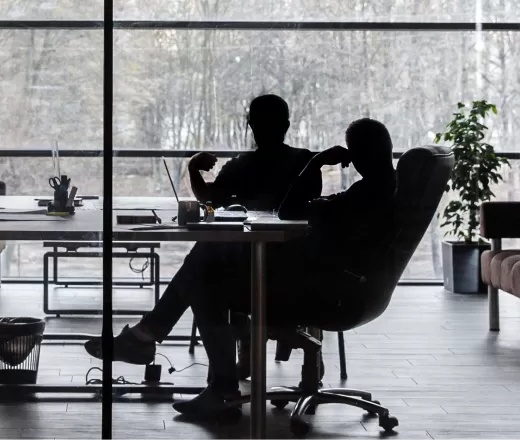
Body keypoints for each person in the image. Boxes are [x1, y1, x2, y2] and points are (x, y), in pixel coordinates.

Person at [169, 117, 398, 417]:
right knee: (209, 265)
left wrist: (317, 163)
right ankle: (156, 335)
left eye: (354, 151)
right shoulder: (387, 189)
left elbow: (285, 209)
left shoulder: (363, 195)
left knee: (206, 284)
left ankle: (220, 389)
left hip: (327, 291)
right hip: (358, 290)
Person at [84, 94, 322, 372]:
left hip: (251, 277)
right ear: (287, 125)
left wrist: (194, 168)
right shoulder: (308, 163)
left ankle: (159, 341)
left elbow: (209, 201)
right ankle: (149, 335)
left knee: (201, 272)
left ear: (251, 127)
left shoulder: (242, 166)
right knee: (204, 259)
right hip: (298, 274)